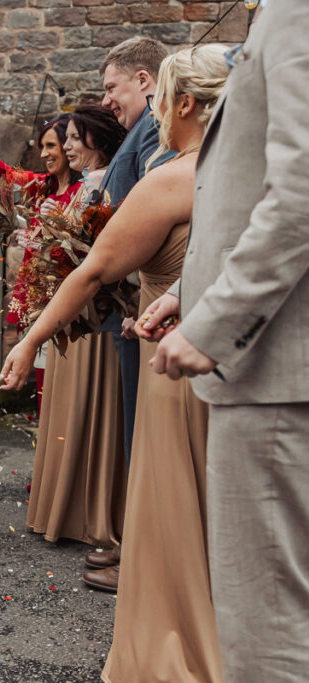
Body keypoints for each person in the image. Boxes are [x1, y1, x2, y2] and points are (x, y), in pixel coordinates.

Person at [1, 44, 230, 683]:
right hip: (240, 367)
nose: (154, 114)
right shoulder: (258, 177)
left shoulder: (172, 178)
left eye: (159, 99)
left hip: (173, 373)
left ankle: (176, 647)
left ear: (183, 103)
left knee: (173, 509)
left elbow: (94, 270)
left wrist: (26, 341)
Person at [145, 2, 309, 678]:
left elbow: (299, 188)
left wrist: (217, 322)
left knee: (268, 626)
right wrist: (189, 293)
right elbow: (245, 193)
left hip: (274, 367)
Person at [81, 35, 175, 590]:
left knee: (145, 434)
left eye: (112, 87)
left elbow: (147, 223)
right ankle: (140, 548)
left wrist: (128, 288)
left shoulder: (158, 131)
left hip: (146, 305)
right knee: (135, 432)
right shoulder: (139, 132)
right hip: (133, 303)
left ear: (145, 79)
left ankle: (145, 562)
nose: (108, 100)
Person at [14, 104, 128, 554]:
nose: (68, 146)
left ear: (98, 140)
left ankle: (91, 513)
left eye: (77, 138)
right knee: (64, 410)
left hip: (94, 321)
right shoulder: (83, 187)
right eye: (68, 139)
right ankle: (64, 506)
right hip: (70, 316)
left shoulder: (109, 188)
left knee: (90, 410)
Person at [0, 112, 83, 412]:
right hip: (36, 304)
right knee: (46, 393)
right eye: (41, 147)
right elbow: (3, 174)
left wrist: (52, 231)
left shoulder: (82, 193)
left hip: (67, 307)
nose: (44, 154)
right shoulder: (44, 187)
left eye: (51, 146)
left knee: (67, 395)